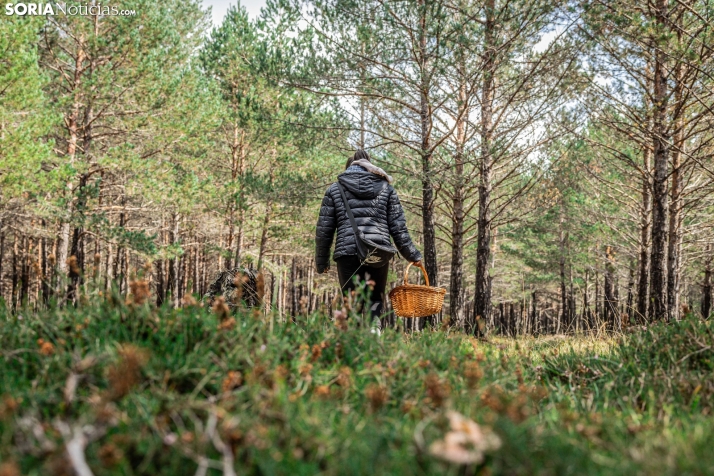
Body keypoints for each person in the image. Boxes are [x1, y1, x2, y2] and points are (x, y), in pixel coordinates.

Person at [315, 149, 422, 331]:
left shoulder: (335, 189)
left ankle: (353, 344)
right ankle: (374, 335)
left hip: (347, 252)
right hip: (378, 251)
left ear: (350, 166)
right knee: (374, 300)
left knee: (351, 300)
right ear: (370, 164)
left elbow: (324, 230)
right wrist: (412, 255)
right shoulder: (386, 188)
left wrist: (321, 262)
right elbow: (398, 228)